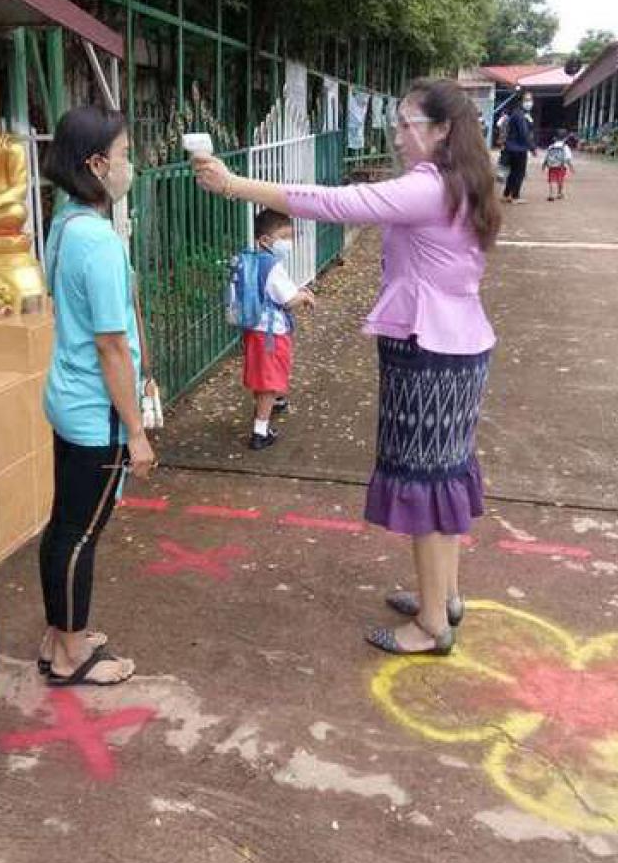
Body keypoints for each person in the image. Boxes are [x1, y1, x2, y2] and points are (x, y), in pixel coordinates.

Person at [193, 79, 500, 656]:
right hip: (457, 347)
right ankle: (444, 597)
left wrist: (234, 184)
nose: (397, 135)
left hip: (429, 350)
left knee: (426, 484)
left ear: (442, 131)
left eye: (408, 124)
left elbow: (335, 203)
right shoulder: (463, 181)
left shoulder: (429, 187)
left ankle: (433, 623)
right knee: (445, 478)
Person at [39, 106, 155, 686]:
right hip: (96, 414)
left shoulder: (65, 223)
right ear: (96, 164)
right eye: (124, 154)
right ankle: (70, 654)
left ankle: (58, 635)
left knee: (64, 526)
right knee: (80, 535)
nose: (130, 165)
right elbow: (111, 345)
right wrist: (135, 432)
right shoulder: (98, 242)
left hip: (68, 396)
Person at [242, 209, 315, 450]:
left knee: (261, 376)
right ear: (265, 240)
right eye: (284, 237)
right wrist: (304, 296)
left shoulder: (253, 260)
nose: (289, 243)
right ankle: (260, 432)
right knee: (269, 381)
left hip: (255, 329)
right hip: (271, 333)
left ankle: (265, 412)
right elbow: (287, 300)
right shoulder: (272, 266)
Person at [501, 94, 536, 203]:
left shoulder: (519, 113)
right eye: (527, 100)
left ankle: (507, 194)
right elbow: (524, 133)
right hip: (519, 148)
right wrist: (532, 147)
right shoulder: (520, 115)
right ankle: (515, 196)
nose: (529, 102)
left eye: (530, 100)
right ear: (520, 101)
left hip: (512, 147)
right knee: (519, 173)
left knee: (513, 172)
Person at [543, 130, 574, 200]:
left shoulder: (551, 146)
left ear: (555, 138)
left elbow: (546, 157)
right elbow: (568, 159)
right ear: (565, 138)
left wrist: (544, 166)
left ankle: (551, 194)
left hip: (551, 166)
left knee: (551, 180)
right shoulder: (565, 147)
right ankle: (559, 193)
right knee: (560, 180)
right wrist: (571, 167)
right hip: (561, 166)